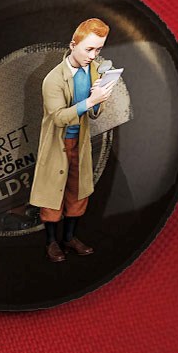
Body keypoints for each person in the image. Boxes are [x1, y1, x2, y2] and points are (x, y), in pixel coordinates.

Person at [29, 18, 114, 262]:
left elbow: (96, 112)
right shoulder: (53, 79)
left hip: (80, 142)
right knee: (52, 194)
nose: (93, 55)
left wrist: (99, 99)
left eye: (98, 49)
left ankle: (69, 238)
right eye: (89, 49)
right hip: (58, 144)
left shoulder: (94, 70)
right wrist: (90, 101)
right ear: (73, 45)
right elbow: (58, 117)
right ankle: (51, 242)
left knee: (78, 191)